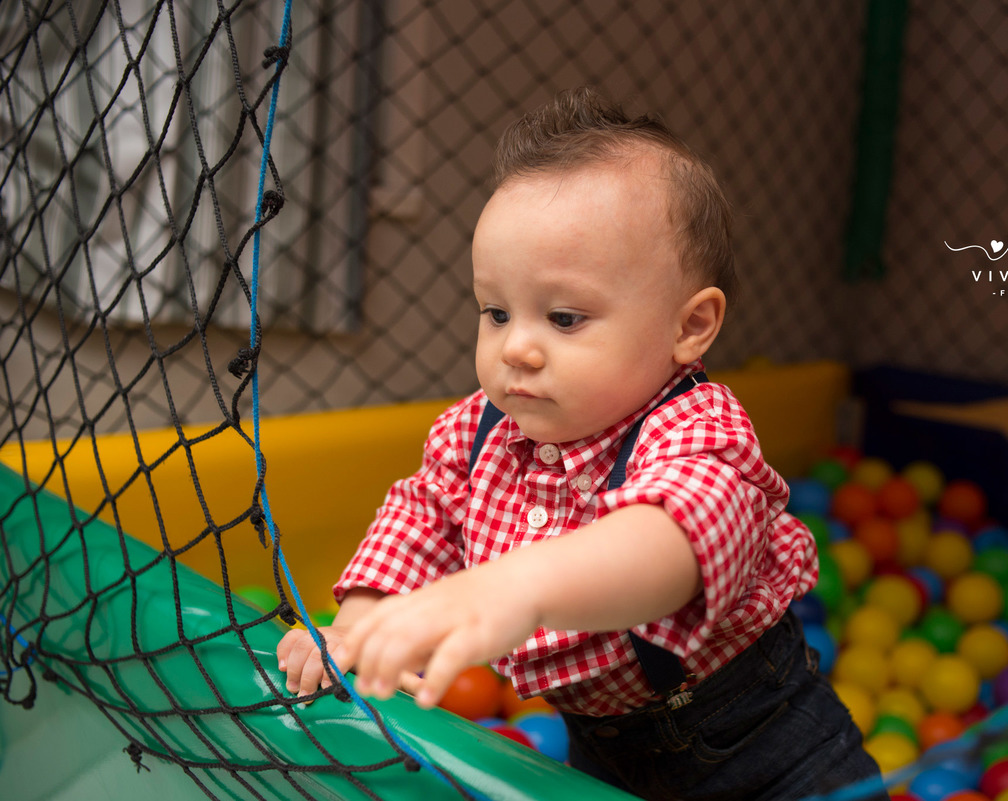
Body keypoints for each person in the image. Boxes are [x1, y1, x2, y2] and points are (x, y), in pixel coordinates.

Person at [277, 87, 884, 801]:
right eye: (496, 312)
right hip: (602, 749)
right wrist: (359, 623)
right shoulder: (475, 432)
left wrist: (518, 586)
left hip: (765, 746)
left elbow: (674, 540)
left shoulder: (699, 429)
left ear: (689, 327)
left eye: (564, 317)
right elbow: (421, 517)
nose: (518, 349)